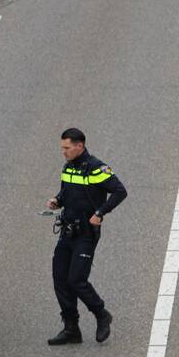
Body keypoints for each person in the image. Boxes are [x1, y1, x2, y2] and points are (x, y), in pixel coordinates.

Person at [45, 127, 127, 345]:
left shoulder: (96, 168)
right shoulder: (68, 167)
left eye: (67, 148)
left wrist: (100, 213)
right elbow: (67, 192)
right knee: (60, 279)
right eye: (62, 148)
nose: (63, 152)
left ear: (79, 146)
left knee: (77, 280)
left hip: (86, 234)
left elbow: (120, 191)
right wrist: (57, 200)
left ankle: (102, 314)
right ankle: (71, 329)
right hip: (67, 230)